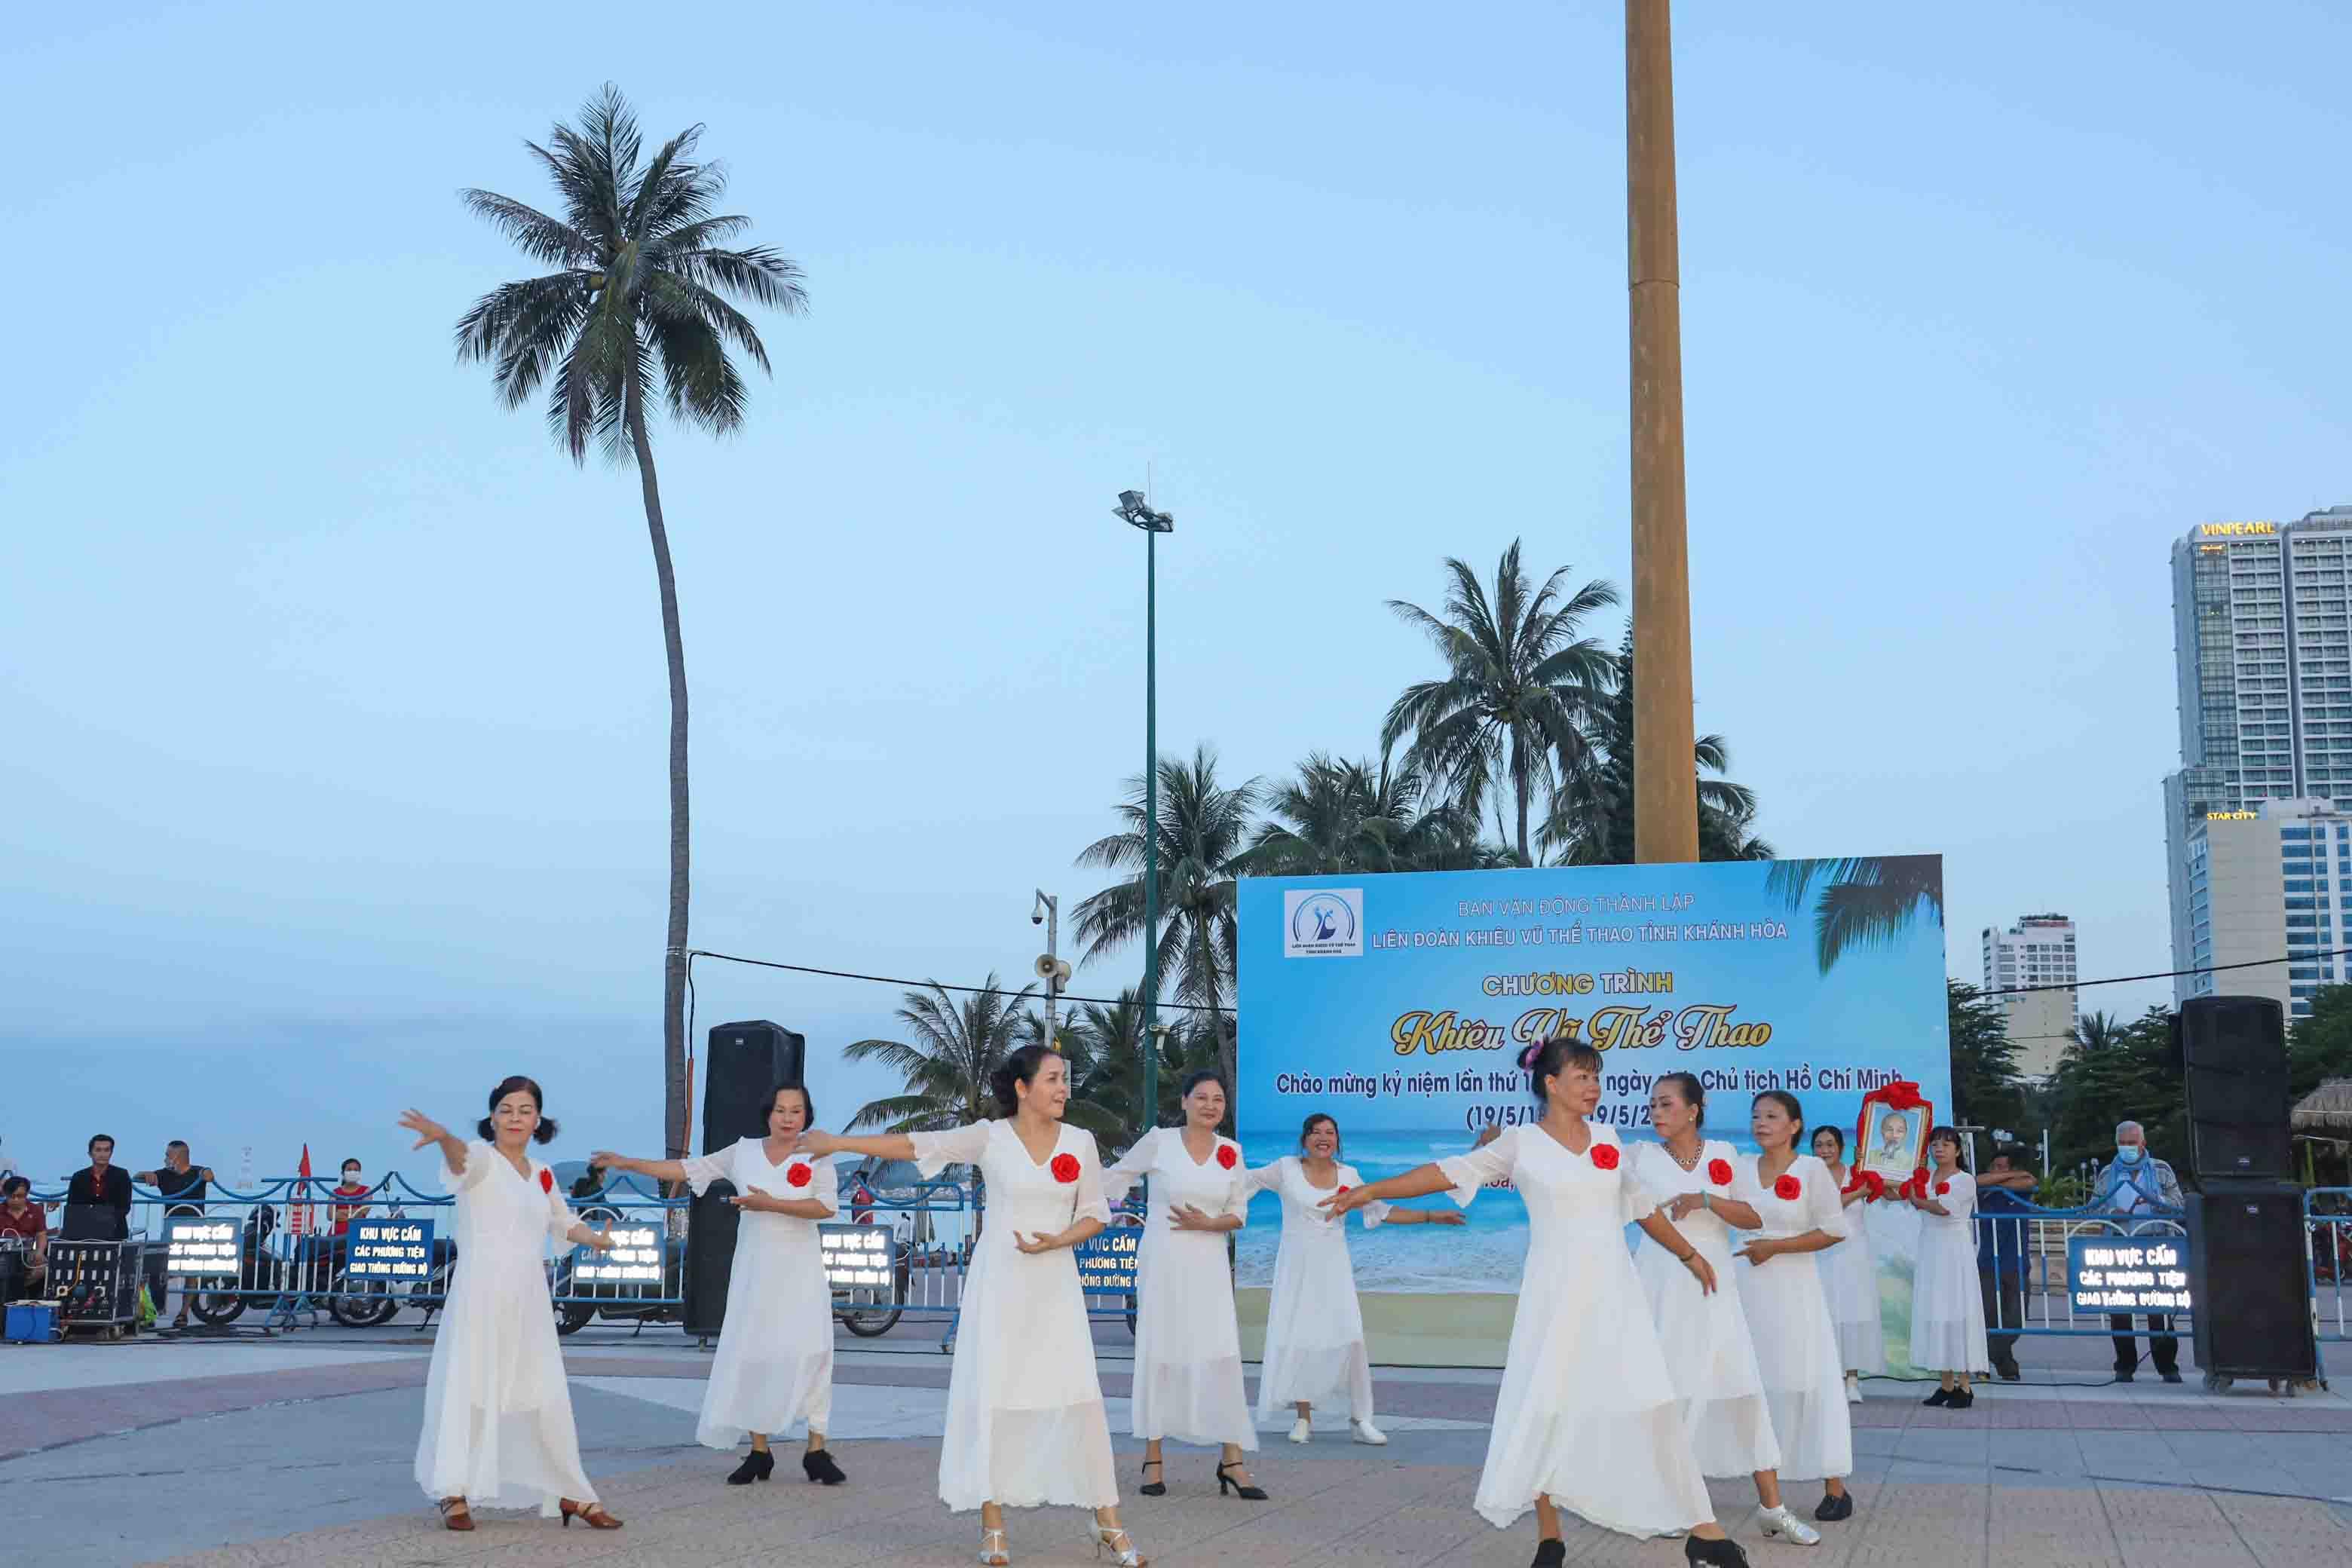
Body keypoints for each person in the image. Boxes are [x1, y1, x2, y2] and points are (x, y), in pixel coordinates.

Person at [1325, 1039, 1751, 1568]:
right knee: (1546, 1405)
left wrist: (1690, 1255)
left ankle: (1703, 1530)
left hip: (1616, 1292)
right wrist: (1370, 1191)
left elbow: (1641, 1208)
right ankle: (1550, 1537)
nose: (1595, 1087)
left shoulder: (1608, 1139)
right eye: (1583, 1077)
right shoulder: (1519, 1143)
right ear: (1551, 1084)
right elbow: (1447, 1172)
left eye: (1598, 1077)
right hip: (1554, 1294)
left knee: (1651, 1400)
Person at [797, 1046, 1145, 1568]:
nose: (1064, 1089)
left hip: (1055, 1285)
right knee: (994, 1395)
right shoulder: (990, 1136)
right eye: (1052, 1079)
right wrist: (838, 1142)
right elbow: (916, 1143)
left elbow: (1096, 1213)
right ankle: (993, 1524)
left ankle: (1107, 1519)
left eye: (1066, 1080)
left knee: (1076, 1395)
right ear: (1023, 1088)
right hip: (999, 1281)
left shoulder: (1081, 1142)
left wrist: (1058, 1241)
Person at [397, 1076, 623, 1532]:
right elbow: (461, 1160)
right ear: (493, 1117)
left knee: (540, 1393)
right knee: (470, 1387)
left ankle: (569, 1491)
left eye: (524, 1110)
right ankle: (453, 1491)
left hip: (528, 1297)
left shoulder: (540, 1172)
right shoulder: (480, 1158)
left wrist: (596, 1240)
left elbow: (562, 1221)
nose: (515, 1118)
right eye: (506, 1109)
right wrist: (443, 1138)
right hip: (480, 1292)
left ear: (538, 1119)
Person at [593, 1083, 847, 1485]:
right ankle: (759, 1451)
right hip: (755, 1269)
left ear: (806, 1116)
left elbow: (827, 1207)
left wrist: (772, 1204)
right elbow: (687, 1169)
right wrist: (631, 1163)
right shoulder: (742, 1152)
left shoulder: (818, 1154)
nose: (787, 1117)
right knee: (753, 1351)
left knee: (811, 1349)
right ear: (769, 1113)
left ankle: (817, 1450)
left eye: (795, 1111)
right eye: (780, 1109)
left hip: (800, 1269)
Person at [1625, 1073, 1818, 1545]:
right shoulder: (1639, 1156)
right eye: (1652, 1105)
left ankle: (1773, 1507)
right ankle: (1667, 1502)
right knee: (1666, 1395)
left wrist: (1706, 1200)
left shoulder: (1723, 1156)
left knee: (1742, 1388)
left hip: (1714, 1286)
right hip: (1661, 1282)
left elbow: (1753, 1217)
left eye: (1666, 1104)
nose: (1656, 1113)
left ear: (1694, 1110)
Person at [1242, 1113, 1464, 1446]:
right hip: (1296, 1270)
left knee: (1351, 1339)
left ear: (1337, 1140)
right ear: (1304, 1140)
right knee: (1301, 1339)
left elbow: (1383, 1211)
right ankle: (1303, 1419)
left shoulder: (1349, 1176)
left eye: (1329, 1133)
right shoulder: (1284, 1169)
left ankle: (1361, 1419)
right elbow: (1240, 1184)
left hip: (1335, 1270)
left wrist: (1431, 1215)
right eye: (1315, 1133)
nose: (1322, 1138)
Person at [1102, 1071, 1263, 1502]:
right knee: (1163, 1350)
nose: (1211, 1105)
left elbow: (1239, 1213)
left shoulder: (1232, 1153)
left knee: (1219, 1353)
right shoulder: (1160, 1141)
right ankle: (1153, 1457)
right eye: (1202, 1097)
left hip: (1208, 1266)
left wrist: (1209, 1223)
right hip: (1164, 1264)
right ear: (1185, 1101)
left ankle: (1233, 1460)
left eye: (1218, 1099)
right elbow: (1116, 1178)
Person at [1730, 1092, 1857, 1524]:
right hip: (1747, 1288)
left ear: (1795, 1125)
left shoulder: (1811, 1170)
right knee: (1758, 1384)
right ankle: (1769, 1492)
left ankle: (1834, 1486)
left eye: (1772, 1116)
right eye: (1756, 1116)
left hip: (1795, 1288)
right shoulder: (1740, 1168)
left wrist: (1777, 1247)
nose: (1762, 1123)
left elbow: (1834, 1230)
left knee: (1805, 1380)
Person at [2087, 1120, 2185, 1383]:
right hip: (2119, 1245)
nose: (2128, 1148)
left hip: (2155, 1244)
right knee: (2120, 1309)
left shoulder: (2161, 1169)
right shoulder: (2108, 1173)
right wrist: (2110, 1212)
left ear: (2143, 1143)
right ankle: (2125, 1366)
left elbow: (2179, 1203)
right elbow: (2093, 1207)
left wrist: (2156, 1200)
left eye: (2133, 1143)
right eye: (2123, 1143)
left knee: (2158, 1308)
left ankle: (2167, 1366)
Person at [1906, 1126, 1989, 1407]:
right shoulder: (1926, 1177)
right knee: (1936, 1311)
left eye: (1945, 1144)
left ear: (1957, 1149)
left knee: (1957, 1312)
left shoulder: (1965, 1180)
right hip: (1931, 1248)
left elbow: (1944, 1208)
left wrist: (1916, 1200)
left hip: (1954, 1251)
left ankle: (1965, 1387)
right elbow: (1900, 1193)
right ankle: (1945, 1384)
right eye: (1935, 1144)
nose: (1939, 1149)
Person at [1808, 1125, 1883, 1401]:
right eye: (1819, 1145)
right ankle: (1829, 1379)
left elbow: (1889, 1189)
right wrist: (1858, 1192)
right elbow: (1827, 1209)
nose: (1825, 1150)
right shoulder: (1809, 1177)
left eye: (1830, 1145)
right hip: (1821, 1252)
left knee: (1854, 1314)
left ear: (1841, 1148)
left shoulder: (1858, 1174)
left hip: (1855, 1255)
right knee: (1825, 1315)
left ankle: (1852, 1379)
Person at [133, 1141, 215, 1331]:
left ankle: (183, 1313)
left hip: (196, 1230)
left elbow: (209, 1175)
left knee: (192, 1273)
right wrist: (145, 1175)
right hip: (171, 1230)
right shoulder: (164, 1174)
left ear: (178, 1157)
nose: (166, 1158)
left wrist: (207, 1174)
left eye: (168, 1155)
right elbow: (136, 1177)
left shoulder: (198, 1172)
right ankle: (148, 1310)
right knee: (154, 1269)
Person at [1975, 1152, 2038, 1382]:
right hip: (1988, 1264)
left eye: (2006, 1167)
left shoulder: (2021, 1190)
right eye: (1997, 1167)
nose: (2000, 1171)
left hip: (2017, 1264)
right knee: (1990, 1318)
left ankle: (1985, 1355)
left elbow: (2030, 1181)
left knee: (2016, 1320)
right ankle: (2006, 1365)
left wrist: (2001, 1180)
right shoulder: (1982, 1192)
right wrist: (2005, 1178)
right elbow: (1976, 1181)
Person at [64, 1134, 133, 1242]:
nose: (103, 1154)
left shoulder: (122, 1175)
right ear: (90, 1153)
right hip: (83, 1232)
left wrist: (102, 1219)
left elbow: (124, 1207)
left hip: (115, 1232)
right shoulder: (79, 1177)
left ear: (111, 1153)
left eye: (106, 1150)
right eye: (98, 1150)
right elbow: (73, 1207)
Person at [1, 1176, 47, 1298]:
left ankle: (18, 1290)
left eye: (20, 1196)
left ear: (26, 1194)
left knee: (43, 1268)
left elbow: (41, 1235)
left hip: (27, 1252)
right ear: (5, 1194)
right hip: (3, 1254)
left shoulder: (36, 1210)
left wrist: (39, 1252)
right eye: (12, 1196)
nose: (16, 1199)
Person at [330, 1159, 374, 1236]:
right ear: (343, 1173)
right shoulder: (335, 1192)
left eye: (356, 1170)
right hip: (335, 1235)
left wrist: (340, 1212)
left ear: (360, 1173)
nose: (352, 1172)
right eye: (349, 1170)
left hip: (358, 1234)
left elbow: (362, 1212)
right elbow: (330, 1216)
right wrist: (353, 1213)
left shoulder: (366, 1191)